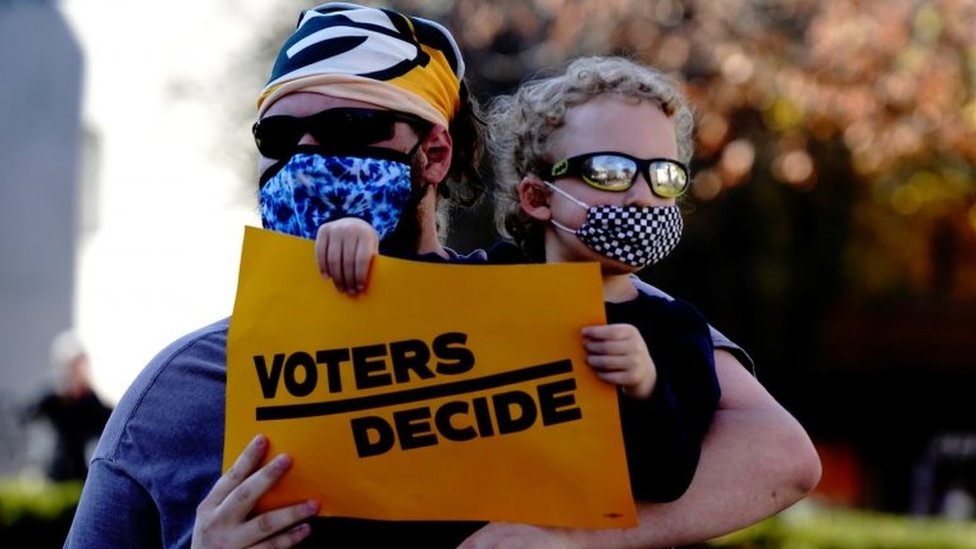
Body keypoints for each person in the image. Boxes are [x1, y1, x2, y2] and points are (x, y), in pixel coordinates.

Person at [66, 3, 820, 548]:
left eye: (353, 128)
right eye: (279, 133)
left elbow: (779, 455)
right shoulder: (178, 390)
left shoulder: (553, 302)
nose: (308, 154)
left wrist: (556, 540)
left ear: (434, 154)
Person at [21, 329, 112, 483]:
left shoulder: (90, 401)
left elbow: (107, 421)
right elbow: (27, 416)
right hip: (55, 471)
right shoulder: (52, 400)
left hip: (81, 472)